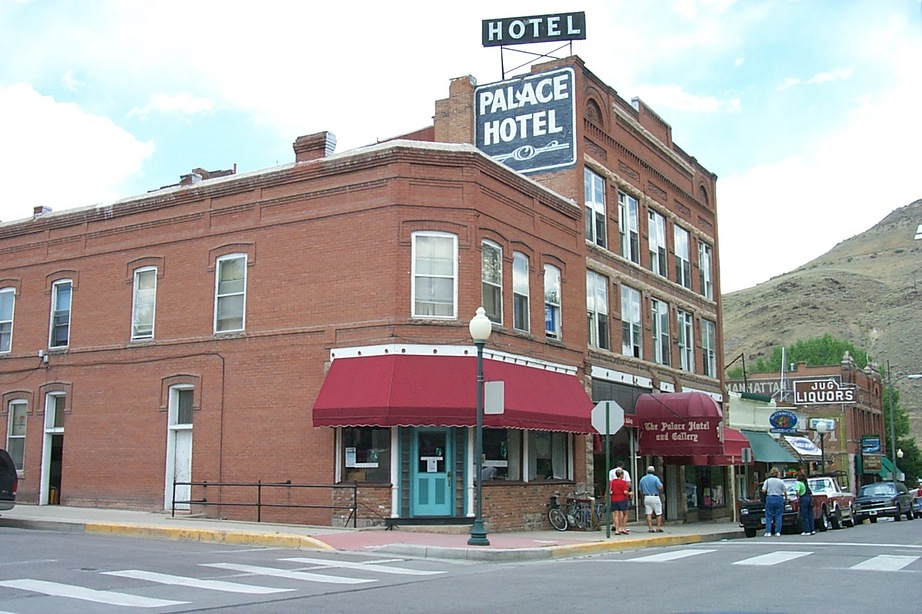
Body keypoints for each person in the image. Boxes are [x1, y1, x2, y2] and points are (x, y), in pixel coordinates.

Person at [638, 465, 664, 532]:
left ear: (647, 471)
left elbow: (640, 490)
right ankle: (658, 527)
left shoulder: (642, 479)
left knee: (648, 513)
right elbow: (659, 487)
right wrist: (661, 486)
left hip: (647, 497)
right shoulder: (655, 478)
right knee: (658, 513)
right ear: (653, 471)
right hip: (655, 496)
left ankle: (650, 528)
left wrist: (643, 496)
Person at [762, 467, 786, 537]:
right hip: (779, 498)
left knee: (769, 516)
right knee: (778, 516)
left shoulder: (767, 481)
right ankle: (777, 532)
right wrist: (786, 499)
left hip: (770, 498)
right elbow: (784, 491)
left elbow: (763, 490)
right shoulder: (781, 481)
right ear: (777, 473)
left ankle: (768, 532)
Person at [610, 468, 632, 535]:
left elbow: (610, 489)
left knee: (616, 515)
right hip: (622, 499)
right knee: (625, 513)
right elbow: (625, 492)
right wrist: (630, 493)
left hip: (614, 499)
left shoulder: (613, 482)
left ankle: (617, 529)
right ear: (621, 475)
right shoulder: (623, 482)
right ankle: (623, 528)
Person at [796, 471, 815, 535]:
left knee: (804, 515)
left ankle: (807, 530)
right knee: (810, 514)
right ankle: (812, 529)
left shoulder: (798, 483)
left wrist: (797, 497)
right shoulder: (805, 483)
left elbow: (798, 492)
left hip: (803, 498)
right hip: (809, 498)